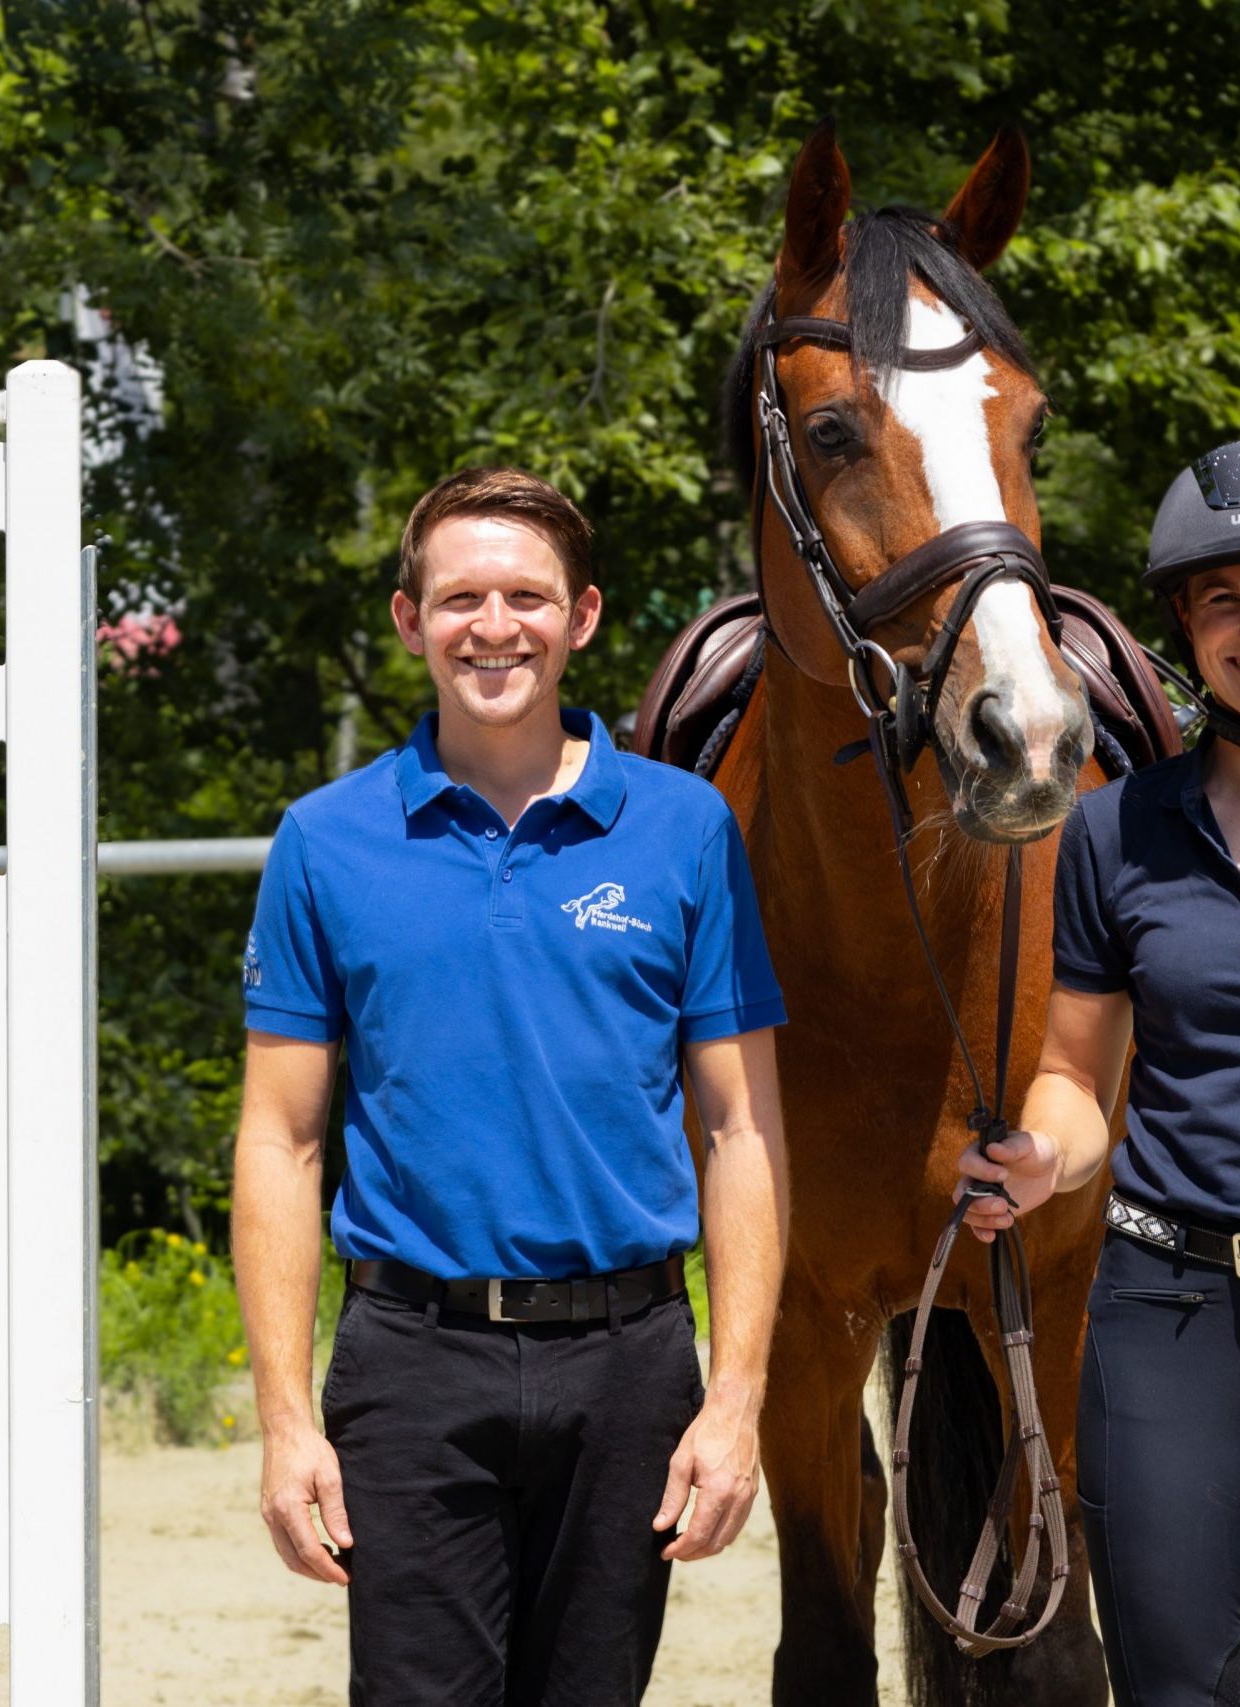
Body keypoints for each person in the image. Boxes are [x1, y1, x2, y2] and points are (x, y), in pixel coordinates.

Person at [231, 465, 789, 1706]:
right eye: (460, 597)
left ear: (581, 617)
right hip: (411, 1365)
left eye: (526, 597)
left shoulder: (685, 828)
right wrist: (285, 1425)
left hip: (633, 1363)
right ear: (408, 619)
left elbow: (744, 1126)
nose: (494, 627)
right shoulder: (326, 839)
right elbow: (279, 1143)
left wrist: (735, 1400)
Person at [956, 438, 1240, 1706]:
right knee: (1171, 1683)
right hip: (1172, 1305)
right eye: (1225, 599)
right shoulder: (1116, 828)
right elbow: (1075, 1070)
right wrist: (1043, 1155)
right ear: (1185, 622)